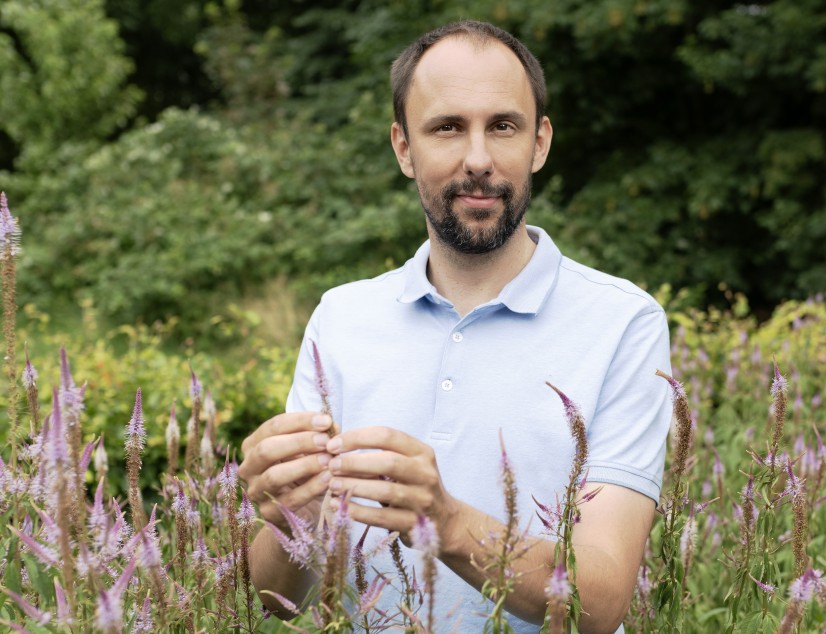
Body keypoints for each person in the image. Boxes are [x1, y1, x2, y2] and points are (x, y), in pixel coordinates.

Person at [239, 19, 672, 633]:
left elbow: (599, 604)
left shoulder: (623, 322)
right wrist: (292, 520)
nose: (478, 159)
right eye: (447, 127)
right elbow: (267, 599)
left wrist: (444, 521)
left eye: (503, 126)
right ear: (403, 148)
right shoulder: (342, 317)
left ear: (540, 143)